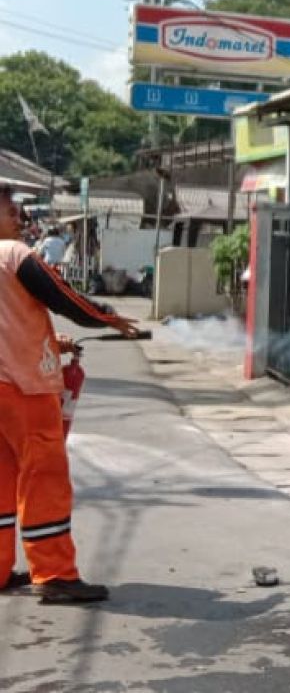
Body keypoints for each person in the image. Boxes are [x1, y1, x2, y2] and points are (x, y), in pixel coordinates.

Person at [0, 186, 138, 603]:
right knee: (45, 477)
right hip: (23, 388)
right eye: (10, 211)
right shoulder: (14, 255)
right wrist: (108, 318)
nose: (19, 219)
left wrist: (52, 341)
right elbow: (64, 298)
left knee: (2, 480)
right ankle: (55, 573)